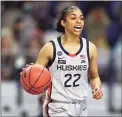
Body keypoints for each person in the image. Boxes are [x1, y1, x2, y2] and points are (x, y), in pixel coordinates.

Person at [21, 6, 103, 117]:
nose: (79, 21)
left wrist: (96, 87)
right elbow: (37, 76)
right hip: (58, 106)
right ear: (63, 22)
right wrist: (30, 74)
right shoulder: (50, 48)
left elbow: (94, 76)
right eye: (73, 18)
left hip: (81, 106)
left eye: (81, 18)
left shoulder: (90, 48)